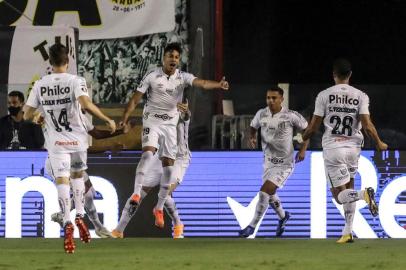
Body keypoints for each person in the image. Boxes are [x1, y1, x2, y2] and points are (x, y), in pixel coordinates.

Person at [121, 42, 229, 230]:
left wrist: (218, 85)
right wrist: (126, 118)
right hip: (155, 134)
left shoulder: (182, 88)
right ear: (164, 58)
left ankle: (167, 215)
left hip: (176, 144)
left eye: (177, 57)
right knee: (146, 159)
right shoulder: (153, 77)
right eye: (170, 56)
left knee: (167, 180)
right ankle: (125, 218)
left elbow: (201, 83)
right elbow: (136, 98)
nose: (173, 59)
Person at [23, 43, 116, 254]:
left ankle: (67, 222)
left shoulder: (40, 85)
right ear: (68, 61)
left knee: (62, 180)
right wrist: (107, 119)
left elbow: (26, 114)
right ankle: (80, 215)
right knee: (77, 176)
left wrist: (39, 115)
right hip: (77, 139)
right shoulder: (76, 81)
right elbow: (85, 104)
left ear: (50, 62)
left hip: (56, 142)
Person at [302, 59, 388, 243]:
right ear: (350, 75)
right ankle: (347, 232)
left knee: (340, 196)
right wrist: (379, 142)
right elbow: (367, 124)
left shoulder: (324, 95)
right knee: (348, 187)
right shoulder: (361, 95)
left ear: (333, 74)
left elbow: (314, 126)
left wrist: (303, 136)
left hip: (334, 148)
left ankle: (363, 194)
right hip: (354, 148)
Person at [112, 102, 191, 239]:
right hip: (160, 156)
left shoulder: (177, 112)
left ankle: (177, 224)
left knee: (165, 194)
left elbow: (186, 116)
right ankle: (118, 230)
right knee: (138, 195)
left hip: (179, 158)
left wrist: (185, 111)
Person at [239, 86, 309, 238]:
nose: (270, 101)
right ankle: (283, 217)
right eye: (268, 98)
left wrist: (303, 149)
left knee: (264, 192)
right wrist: (251, 136)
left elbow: (307, 129)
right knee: (270, 195)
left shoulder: (290, 115)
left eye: (274, 98)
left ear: (281, 99)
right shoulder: (261, 113)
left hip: (285, 164)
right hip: (268, 161)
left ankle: (251, 226)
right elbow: (252, 126)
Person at [47, 112, 129, 238]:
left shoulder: (81, 117)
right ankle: (68, 216)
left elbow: (97, 134)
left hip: (74, 160)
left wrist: (120, 132)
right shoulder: (58, 115)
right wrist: (108, 147)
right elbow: (83, 148)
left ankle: (97, 227)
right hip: (58, 160)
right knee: (79, 193)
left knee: (89, 194)